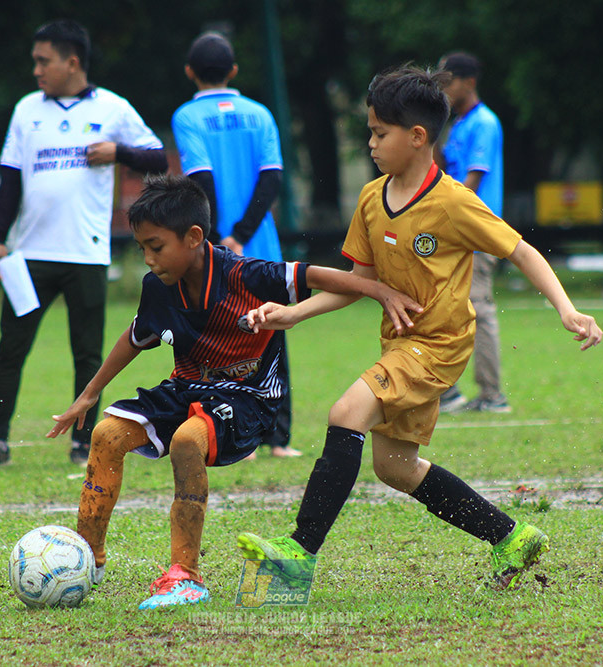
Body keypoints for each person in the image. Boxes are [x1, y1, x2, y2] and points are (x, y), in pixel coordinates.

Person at [236, 65, 603, 591]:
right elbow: (356, 282)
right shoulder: (370, 198)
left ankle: (298, 555)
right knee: (395, 467)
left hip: (439, 346)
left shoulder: (453, 202)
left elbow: (519, 249)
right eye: (369, 131)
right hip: (401, 344)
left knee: (345, 413)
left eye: (379, 133)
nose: (370, 143)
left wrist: (566, 309)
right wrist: (293, 313)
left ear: (417, 137)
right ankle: (511, 536)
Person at [46, 174, 420, 610]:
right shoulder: (159, 288)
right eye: (142, 248)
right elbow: (135, 336)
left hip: (248, 399)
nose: (148, 258)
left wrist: (379, 290)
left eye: (156, 246)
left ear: (194, 237)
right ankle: (88, 560)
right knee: (106, 436)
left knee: (187, 440)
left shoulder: (246, 274)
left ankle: (185, 576)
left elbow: (318, 275)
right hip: (188, 386)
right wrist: (90, 393)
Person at [0, 20, 168, 468]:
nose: (36, 70)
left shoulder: (111, 107)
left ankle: (81, 442)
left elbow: (158, 158)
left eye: (43, 61)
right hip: (29, 254)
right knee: (11, 348)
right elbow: (10, 178)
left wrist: (118, 153)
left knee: (87, 352)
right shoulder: (27, 109)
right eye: (35, 61)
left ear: (72, 62)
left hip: (85, 253)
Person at [171, 32, 300, 458]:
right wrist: (244, 235)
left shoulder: (187, 116)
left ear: (191, 72)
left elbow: (200, 179)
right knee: (273, 335)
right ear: (234, 71)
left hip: (214, 251)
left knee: (216, 341)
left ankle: (224, 432)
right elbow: (273, 178)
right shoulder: (259, 113)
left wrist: (220, 239)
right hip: (261, 246)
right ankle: (279, 439)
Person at [435, 52, 509, 414]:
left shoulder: (484, 123)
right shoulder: (459, 125)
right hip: (456, 230)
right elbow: (440, 168)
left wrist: (441, 213)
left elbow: (472, 180)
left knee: (479, 309)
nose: (444, 88)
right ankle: (447, 391)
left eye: (448, 81)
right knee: (447, 308)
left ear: (469, 82)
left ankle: (492, 395)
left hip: (477, 230)